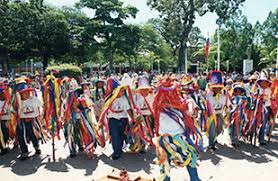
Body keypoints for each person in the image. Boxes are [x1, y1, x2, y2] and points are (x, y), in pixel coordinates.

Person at [153, 77, 202, 181]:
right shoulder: (158, 104)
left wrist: (191, 110)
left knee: (190, 157)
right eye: (166, 92)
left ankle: (195, 179)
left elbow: (189, 103)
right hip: (165, 140)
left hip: (180, 138)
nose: (169, 94)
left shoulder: (181, 102)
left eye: (171, 91)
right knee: (164, 163)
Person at [99, 77, 134, 160]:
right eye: (120, 90)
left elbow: (128, 109)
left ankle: (119, 149)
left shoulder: (124, 98)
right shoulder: (109, 99)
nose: (122, 92)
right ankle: (116, 152)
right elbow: (105, 111)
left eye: (122, 90)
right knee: (114, 136)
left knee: (121, 135)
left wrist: (133, 118)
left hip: (123, 119)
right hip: (113, 120)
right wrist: (102, 121)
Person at [15, 77, 44, 160]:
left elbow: (41, 105)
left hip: (32, 121)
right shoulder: (17, 102)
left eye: (27, 92)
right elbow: (13, 110)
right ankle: (24, 152)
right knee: (21, 136)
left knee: (33, 135)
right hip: (21, 121)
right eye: (24, 93)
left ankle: (36, 146)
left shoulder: (34, 99)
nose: (26, 94)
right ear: (20, 94)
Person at [206, 71, 231, 150]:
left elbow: (228, 104)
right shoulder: (208, 96)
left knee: (220, 128)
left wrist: (228, 109)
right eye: (215, 87)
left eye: (219, 87)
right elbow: (206, 105)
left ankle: (215, 137)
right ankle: (211, 144)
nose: (217, 89)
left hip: (220, 114)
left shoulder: (224, 96)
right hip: (211, 115)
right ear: (212, 88)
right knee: (212, 129)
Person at [0, 79, 13, 155]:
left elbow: (11, 111)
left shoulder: (8, 102)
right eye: (1, 93)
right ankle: (3, 147)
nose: (2, 94)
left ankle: (5, 144)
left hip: (6, 120)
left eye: (3, 93)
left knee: (5, 133)